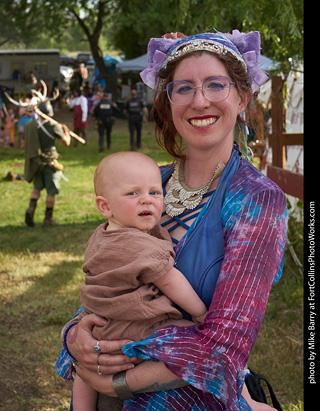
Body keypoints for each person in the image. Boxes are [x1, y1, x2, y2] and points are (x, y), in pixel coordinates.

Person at [56, 30, 288, 411]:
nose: (199, 101)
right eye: (183, 88)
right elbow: (110, 277)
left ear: (243, 97)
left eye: (216, 85)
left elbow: (225, 343)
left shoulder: (255, 199)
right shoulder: (149, 185)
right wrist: (75, 336)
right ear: (168, 100)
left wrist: (119, 382)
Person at [73, 151, 208, 410]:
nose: (146, 200)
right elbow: (170, 280)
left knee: (85, 371)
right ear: (105, 206)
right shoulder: (141, 245)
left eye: (155, 193)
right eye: (133, 194)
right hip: (135, 327)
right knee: (193, 336)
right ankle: (243, 396)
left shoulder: (101, 236)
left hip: (99, 323)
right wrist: (200, 313)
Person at [24, 100, 71, 227]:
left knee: (37, 188)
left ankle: (30, 209)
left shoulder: (30, 126)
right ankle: (47, 219)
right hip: (50, 162)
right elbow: (66, 142)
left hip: (36, 163)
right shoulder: (53, 126)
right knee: (51, 192)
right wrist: (66, 132)